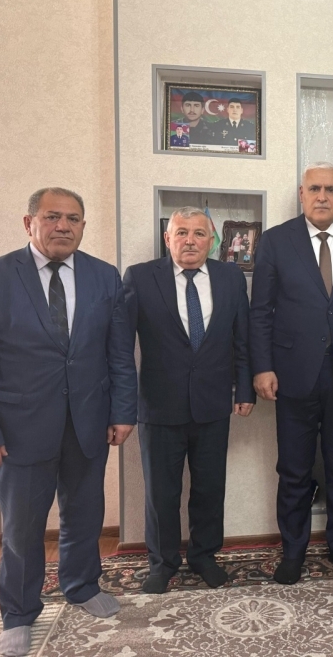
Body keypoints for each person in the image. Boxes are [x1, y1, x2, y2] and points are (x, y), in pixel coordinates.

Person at [0, 188, 138, 657]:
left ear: (82, 226)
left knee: (85, 514)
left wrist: (123, 411)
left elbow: (119, 353)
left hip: (88, 422)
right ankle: (18, 613)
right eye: (52, 217)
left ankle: (82, 585)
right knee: (21, 528)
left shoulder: (104, 276)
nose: (63, 227)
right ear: (28, 222)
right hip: (18, 428)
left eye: (73, 219)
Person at [250, 161, 333, 585]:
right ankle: (293, 551)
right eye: (314, 189)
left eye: (330, 189)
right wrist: (263, 367)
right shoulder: (276, 241)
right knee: (294, 468)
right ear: (301, 194)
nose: (322, 196)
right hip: (292, 374)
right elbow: (261, 311)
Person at [123, 207, 256, 594]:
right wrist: (122, 404)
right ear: (168, 239)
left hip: (214, 404)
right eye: (181, 232)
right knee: (161, 493)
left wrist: (245, 389)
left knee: (209, 489)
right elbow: (121, 346)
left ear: (212, 241)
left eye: (199, 233)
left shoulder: (230, 277)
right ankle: (162, 562)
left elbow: (242, 338)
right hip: (158, 406)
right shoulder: (140, 277)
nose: (190, 241)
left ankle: (203, 556)